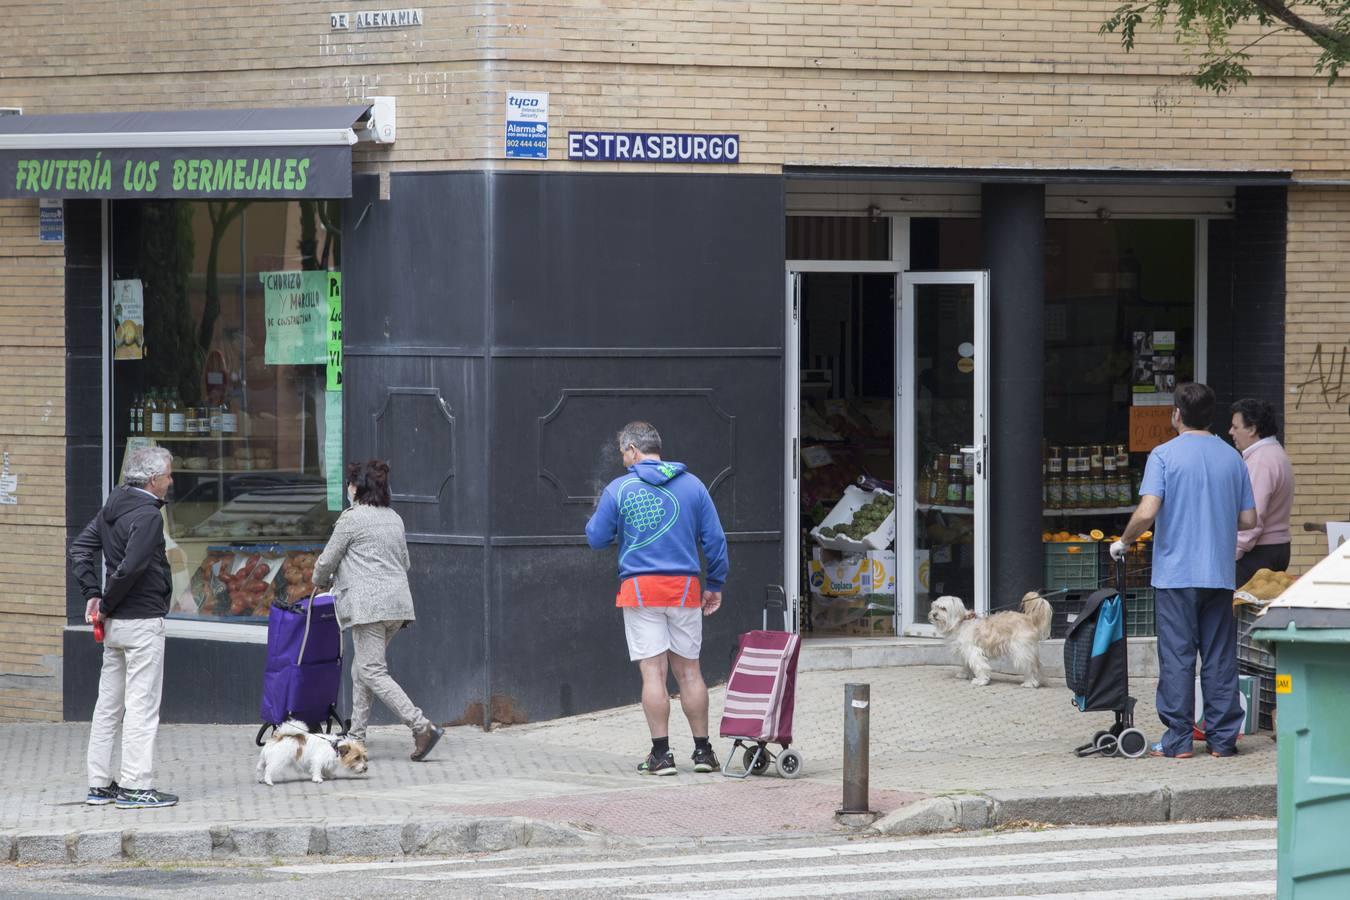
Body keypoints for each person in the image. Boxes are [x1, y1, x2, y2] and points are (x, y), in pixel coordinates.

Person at [1111, 383, 1256, 759]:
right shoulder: (1232, 457)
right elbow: (1249, 518)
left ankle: (1178, 741)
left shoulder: (1163, 455)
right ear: (1212, 417)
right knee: (1220, 656)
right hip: (1220, 574)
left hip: (1176, 575)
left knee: (1178, 656)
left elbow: (1147, 512)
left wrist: (1124, 542)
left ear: (1176, 414)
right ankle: (1223, 741)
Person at [586, 421, 729, 776]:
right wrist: (715, 583)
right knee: (690, 672)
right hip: (684, 590)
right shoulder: (693, 485)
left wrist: (607, 518)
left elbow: (596, 538)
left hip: (640, 591)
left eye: (623, 452)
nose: (623, 459)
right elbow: (714, 540)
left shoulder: (620, 489)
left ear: (634, 449)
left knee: (654, 674)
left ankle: (661, 756)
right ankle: (703, 752)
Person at [70, 445, 179, 808]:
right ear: (152, 479)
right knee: (141, 707)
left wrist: (94, 595)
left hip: (116, 627)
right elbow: (132, 568)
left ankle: (99, 784)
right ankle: (135, 786)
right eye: (168, 475)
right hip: (142, 621)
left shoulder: (112, 507)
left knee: (108, 707)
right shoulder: (148, 516)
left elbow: (80, 549)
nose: (171, 480)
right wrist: (105, 601)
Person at [313, 459, 444, 762]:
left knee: (371, 670)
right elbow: (405, 562)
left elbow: (328, 559)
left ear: (356, 488)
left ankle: (421, 726)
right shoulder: (394, 518)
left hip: (369, 607)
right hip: (397, 606)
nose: (348, 488)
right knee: (362, 669)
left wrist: (318, 580)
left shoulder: (351, 519)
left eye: (349, 483)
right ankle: (356, 736)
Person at [1229, 398, 1295, 587]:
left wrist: (1233, 553)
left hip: (1257, 553)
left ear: (1252, 429)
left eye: (1235, 427)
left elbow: (1253, 516)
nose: (1231, 432)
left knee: (1242, 612)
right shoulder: (1276, 453)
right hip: (1275, 548)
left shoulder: (1260, 461)